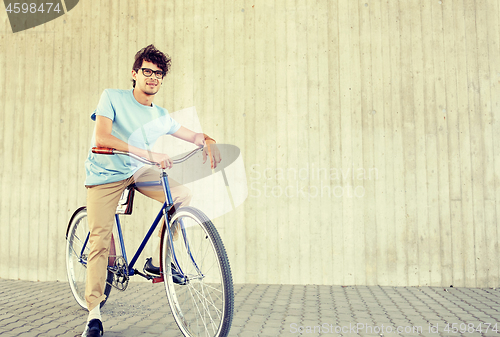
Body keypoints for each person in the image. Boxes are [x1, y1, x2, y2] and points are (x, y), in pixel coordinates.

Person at [81, 45, 221, 337]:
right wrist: (148, 153)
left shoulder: (160, 114)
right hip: (105, 173)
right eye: (147, 71)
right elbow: (103, 136)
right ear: (134, 74)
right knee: (99, 240)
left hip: (136, 171)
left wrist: (207, 139)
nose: (153, 77)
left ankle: (158, 263)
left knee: (181, 196)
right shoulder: (113, 97)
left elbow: (192, 135)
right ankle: (93, 313)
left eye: (158, 74)